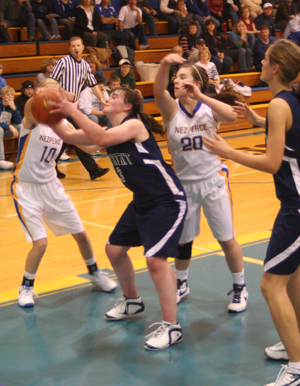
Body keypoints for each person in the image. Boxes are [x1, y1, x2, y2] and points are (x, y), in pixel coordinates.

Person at [52, 86, 187, 350]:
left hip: (167, 200)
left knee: (155, 261)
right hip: (142, 201)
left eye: (114, 96)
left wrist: (72, 110)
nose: (107, 98)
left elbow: (100, 139)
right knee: (114, 250)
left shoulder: (133, 125)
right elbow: (73, 136)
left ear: (127, 106)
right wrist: (50, 114)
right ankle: (132, 301)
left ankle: (172, 327)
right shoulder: (109, 132)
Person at [203, 39, 300, 386]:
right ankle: (297, 345)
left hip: (297, 208)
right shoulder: (289, 100)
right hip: (295, 204)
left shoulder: (279, 104)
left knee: (270, 285)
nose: (260, 61)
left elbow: (273, 163)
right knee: (292, 281)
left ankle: (297, 368)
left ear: (275, 68)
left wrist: (228, 152)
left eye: (266, 59)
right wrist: (260, 121)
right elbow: (291, 137)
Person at [154, 54, 248, 312]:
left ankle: (240, 288)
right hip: (184, 185)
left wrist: (201, 95)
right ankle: (182, 285)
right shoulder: (171, 108)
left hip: (213, 180)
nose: (176, 80)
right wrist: (165, 64)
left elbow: (230, 116)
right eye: (175, 77)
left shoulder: (208, 107)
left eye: (182, 76)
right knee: (184, 242)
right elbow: (157, 90)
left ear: (196, 81)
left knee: (226, 238)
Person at [12, 79, 117, 308]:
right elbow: (32, 103)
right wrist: (45, 92)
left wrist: (109, 135)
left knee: (80, 233)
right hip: (26, 189)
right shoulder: (33, 117)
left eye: (56, 91)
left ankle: (95, 273)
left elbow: (88, 147)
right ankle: (26, 287)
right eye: (48, 92)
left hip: (51, 186)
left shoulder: (62, 125)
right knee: (40, 244)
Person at [50, 36, 110, 180]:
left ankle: (50, 167)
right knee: (77, 136)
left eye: (78, 45)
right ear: (69, 48)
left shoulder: (84, 65)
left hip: (73, 108)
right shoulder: (63, 62)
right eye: (73, 46)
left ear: (83, 47)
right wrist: (63, 91)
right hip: (60, 106)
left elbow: (93, 84)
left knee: (66, 139)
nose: (76, 48)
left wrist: (102, 99)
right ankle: (93, 169)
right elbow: (50, 82)